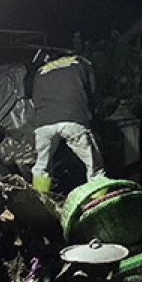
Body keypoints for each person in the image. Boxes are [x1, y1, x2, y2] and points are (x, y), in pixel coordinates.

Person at [28, 53, 105, 195]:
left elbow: (32, 99)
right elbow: (92, 92)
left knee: (41, 168)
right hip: (72, 119)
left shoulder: (40, 71)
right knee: (95, 167)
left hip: (43, 123)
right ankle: (99, 203)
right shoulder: (81, 62)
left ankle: (40, 201)